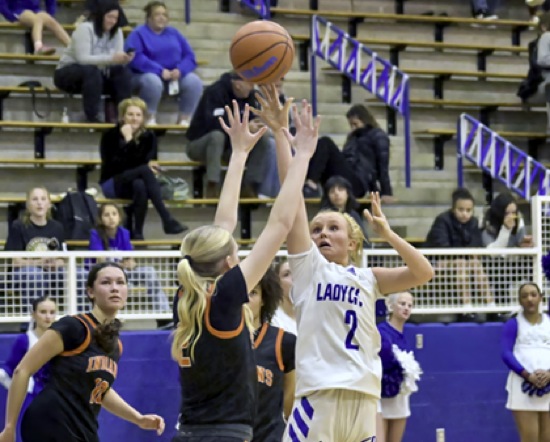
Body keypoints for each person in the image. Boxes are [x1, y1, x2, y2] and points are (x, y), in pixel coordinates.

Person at [253, 84, 434, 441]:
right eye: (316, 228)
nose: (322, 232)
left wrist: (389, 234)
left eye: (332, 227)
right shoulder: (308, 268)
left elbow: (423, 272)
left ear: (352, 242)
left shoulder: (369, 278)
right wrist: (280, 133)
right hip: (319, 397)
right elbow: (291, 201)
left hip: (363, 398)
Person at [171, 98, 318, 441]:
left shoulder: (187, 292)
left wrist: (239, 155)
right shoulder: (223, 297)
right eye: (236, 252)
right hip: (223, 436)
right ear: (228, 263)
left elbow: (223, 226)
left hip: (190, 432)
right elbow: (280, 223)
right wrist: (302, 156)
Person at [0, 262, 165, 442]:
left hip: (83, 426)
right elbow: (22, 370)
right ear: (90, 292)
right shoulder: (73, 326)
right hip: (52, 421)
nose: (114, 288)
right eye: (106, 282)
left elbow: (101, 390)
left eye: (120, 282)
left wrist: (138, 418)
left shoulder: (116, 345)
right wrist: (10, 427)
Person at [99, 97, 186, 240]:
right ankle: (166, 218)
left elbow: (146, 162)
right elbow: (114, 165)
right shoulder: (110, 135)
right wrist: (128, 140)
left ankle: (138, 233)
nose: (134, 118)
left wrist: (142, 164)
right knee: (144, 171)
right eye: (130, 114)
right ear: (122, 116)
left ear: (143, 118)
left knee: (140, 184)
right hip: (112, 183)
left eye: (138, 115)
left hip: (137, 183)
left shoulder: (149, 136)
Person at [186, 71, 270, 198]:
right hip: (199, 143)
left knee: (263, 136)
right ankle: (212, 184)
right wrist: (244, 127)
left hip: (230, 147)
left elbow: (254, 120)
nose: (253, 87)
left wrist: (257, 125)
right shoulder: (215, 92)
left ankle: (249, 185)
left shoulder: (251, 96)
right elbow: (213, 123)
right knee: (217, 136)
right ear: (238, 84)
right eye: (250, 84)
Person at [53, 0, 132, 123]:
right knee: (91, 71)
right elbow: (83, 59)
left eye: (115, 18)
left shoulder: (117, 32)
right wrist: (111, 58)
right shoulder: (85, 28)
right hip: (68, 74)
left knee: (122, 72)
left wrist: (124, 59)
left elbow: (116, 60)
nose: (112, 21)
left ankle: (125, 115)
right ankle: (92, 116)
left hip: (97, 77)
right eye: (109, 17)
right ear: (101, 15)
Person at [126, 0, 202, 126]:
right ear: (149, 18)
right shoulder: (138, 33)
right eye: (157, 14)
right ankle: (149, 117)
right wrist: (159, 71)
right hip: (144, 75)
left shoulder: (174, 33)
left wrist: (180, 70)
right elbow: (136, 58)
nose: (162, 18)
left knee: (194, 81)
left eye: (165, 15)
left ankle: (184, 119)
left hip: (173, 76)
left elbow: (189, 56)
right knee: (152, 81)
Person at [303, 104, 395, 204]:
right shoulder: (352, 138)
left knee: (326, 142)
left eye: (355, 124)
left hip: (358, 183)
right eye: (351, 125)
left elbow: (382, 166)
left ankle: (311, 185)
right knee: (318, 146)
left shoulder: (378, 135)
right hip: (348, 176)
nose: (353, 128)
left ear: (365, 120)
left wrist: (386, 192)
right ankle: (307, 185)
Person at [87, 203, 170, 311]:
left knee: (149, 271)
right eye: (106, 215)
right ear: (100, 219)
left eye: (114, 214)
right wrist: (122, 265)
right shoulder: (95, 234)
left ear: (119, 217)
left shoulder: (124, 233)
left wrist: (131, 263)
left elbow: (130, 258)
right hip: (100, 273)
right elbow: (101, 260)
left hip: (122, 271)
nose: (111, 218)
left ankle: (162, 311)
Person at [249, 267, 296, 442]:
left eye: (253, 293)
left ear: (264, 299)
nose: (245, 300)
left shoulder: (284, 342)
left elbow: (289, 403)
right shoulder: (218, 343)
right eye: (241, 292)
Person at [424, 187, 493, 308]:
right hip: (436, 264)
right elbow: (442, 248)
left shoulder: (473, 222)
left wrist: (469, 255)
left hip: (463, 262)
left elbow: (476, 246)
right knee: (461, 263)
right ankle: (466, 307)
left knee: (475, 263)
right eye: (461, 209)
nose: (465, 214)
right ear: (453, 208)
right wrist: (464, 255)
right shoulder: (442, 220)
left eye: (468, 210)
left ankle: (491, 304)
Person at [0, 297, 56, 442]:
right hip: (29, 398)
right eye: (43, 312)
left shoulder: (61, 341)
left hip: (55, 398)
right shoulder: (24, 340)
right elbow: (10, 370)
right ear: (33, 314)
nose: (48, 316)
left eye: (52, 312)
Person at [501, 282, 550, 442]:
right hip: (523, 386)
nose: (529, 299)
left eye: (533, 295)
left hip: (548, 385)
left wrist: (548, 374)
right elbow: (506, 353)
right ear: (519, 300)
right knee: (530, 438)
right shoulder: (513, 324)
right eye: (524, 296)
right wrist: (527, 375)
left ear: (541, 298)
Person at [5, 187, 65, 306]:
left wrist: (56, 264)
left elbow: (63, 259)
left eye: (43, 199)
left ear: (49, 204)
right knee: (35, 275)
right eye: (35, 199)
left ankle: (80, 316)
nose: (39, 203)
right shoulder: (18, 226)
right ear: (28, 205)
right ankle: (33, 316)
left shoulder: (57, 227)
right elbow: (15, 262)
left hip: (51, 272)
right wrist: (39, 263)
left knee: (80, 274)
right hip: (25, 273)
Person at [378, 292, 422, 442]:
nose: (406, 308)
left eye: (410, 305)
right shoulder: (381, 331)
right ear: (391, 306)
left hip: (400, 398)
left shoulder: (403, 336)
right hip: (382, 396)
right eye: (402, 304)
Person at [0, 0, 70, 55]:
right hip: (19, 11)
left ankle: (71, 46)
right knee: (37, 19)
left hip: (36, 10)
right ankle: (38, 46)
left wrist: (50, 14)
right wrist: (11, 17)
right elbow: (2, 4)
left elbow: (51, 1)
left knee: (50, 20)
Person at [320, 175, 370, 246]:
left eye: (340, 189)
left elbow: (364, 240)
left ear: (348, 193)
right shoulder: (323, 216)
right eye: (332, 191)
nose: (336, 193)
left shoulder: (354, 215)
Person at [270, 259, 297, 335]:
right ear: (277, 284)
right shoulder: (273, 321)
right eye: (286, 274)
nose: (294, 277)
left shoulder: (313, 314)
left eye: (297, 271)